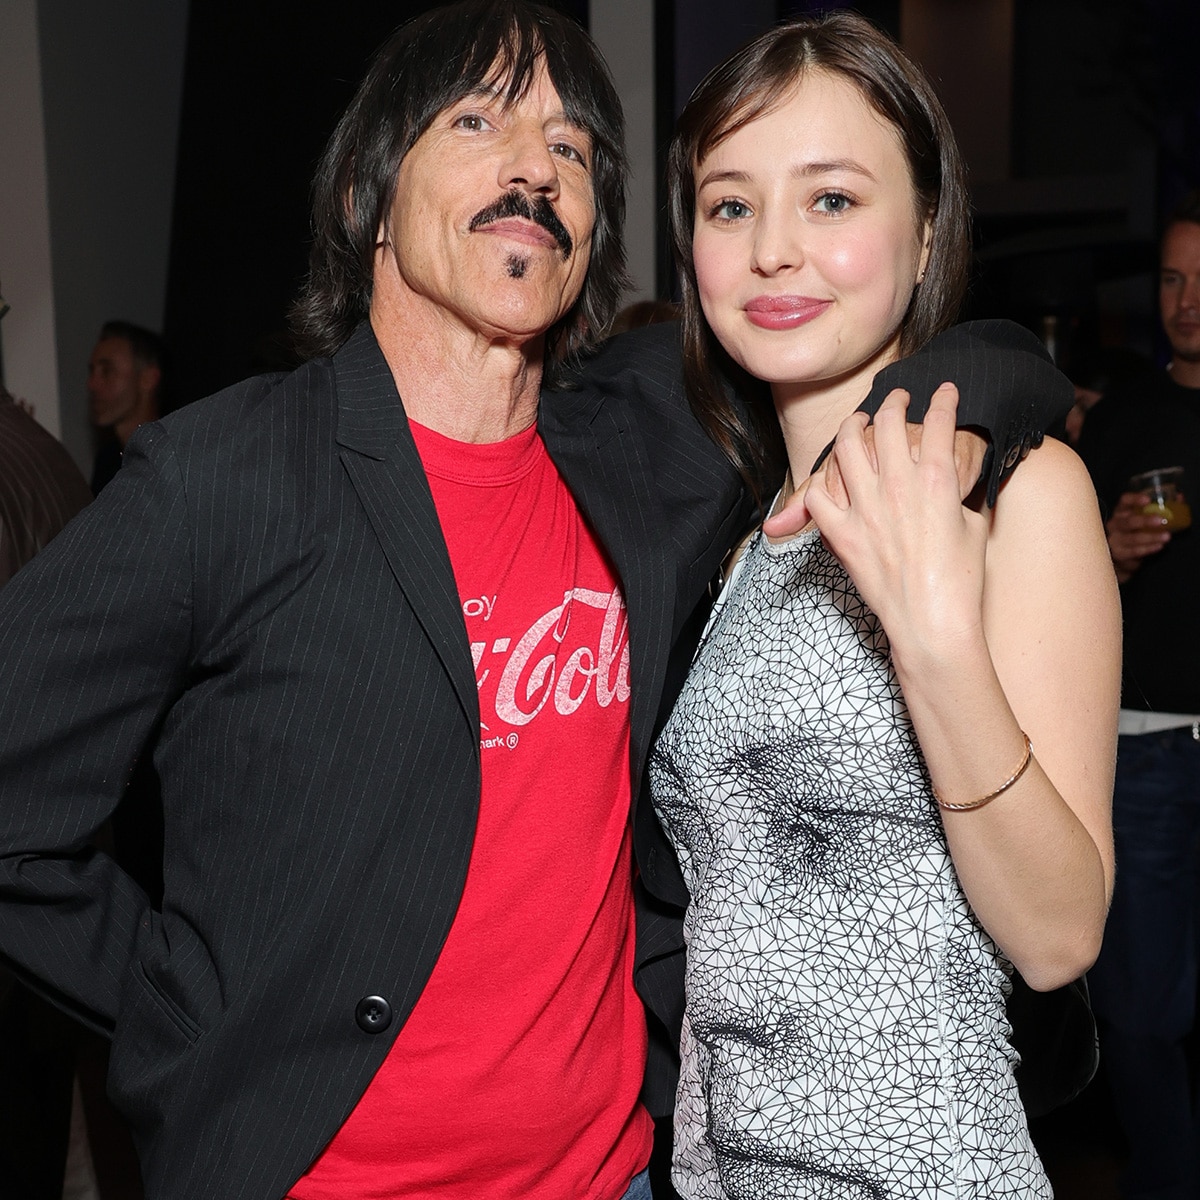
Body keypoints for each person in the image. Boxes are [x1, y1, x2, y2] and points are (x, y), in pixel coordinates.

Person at [0, 5, 1067, 1199]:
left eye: (570, 147)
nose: (536, 169)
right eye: (477, 122)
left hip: (618, 1175)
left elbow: (958, 338)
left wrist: (958, 409)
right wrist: (185, 1009)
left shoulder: (655, 437)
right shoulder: (223, 477)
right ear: (366, 193)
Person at [648, 13, 1120, 1198]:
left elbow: (1060, 936)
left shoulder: (1016, 493)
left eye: (831, 200)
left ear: (925, 236)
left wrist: (934, 638)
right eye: (730, 206)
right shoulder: (735, 530)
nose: (772, 252)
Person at [1076, 192, 1200, 1200]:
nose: (1187, 300)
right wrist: (1107, 556)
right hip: (1146, 743)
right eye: (1171, 278)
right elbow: (1054, 599)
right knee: (1141, 1008)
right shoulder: (1121, 420)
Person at [87, 319, 164, 495]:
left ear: (148, 379)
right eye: (92, 371)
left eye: (107, 371)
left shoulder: (169, 458)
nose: (92, 384)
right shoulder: (107, 462)